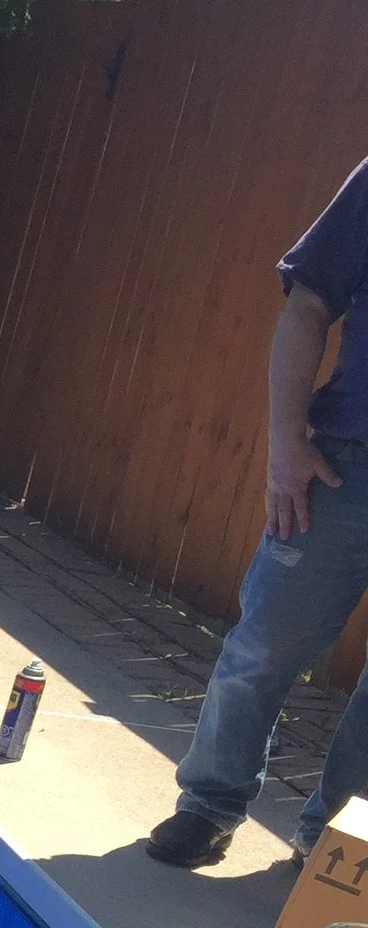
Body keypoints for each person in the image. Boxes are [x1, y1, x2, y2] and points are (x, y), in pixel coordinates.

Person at [150, 158, 368, 868]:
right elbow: (308, 304)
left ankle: (330, 854)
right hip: (344, 463)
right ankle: (209, 804)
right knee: (267, 640)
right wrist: (285, 442)